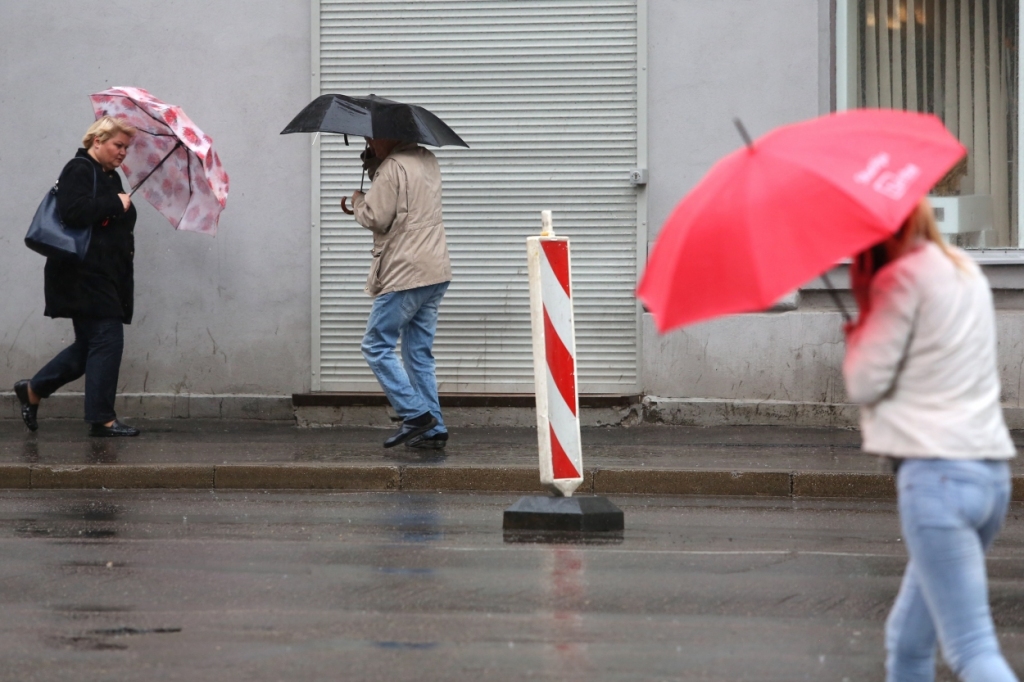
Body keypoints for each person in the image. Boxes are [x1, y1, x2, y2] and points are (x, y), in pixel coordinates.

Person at [843, 199, 1018, 681]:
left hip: (937, 478)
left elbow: (865, 383)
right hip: (990, 475)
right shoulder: (965, 270)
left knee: (971, 648)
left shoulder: (900, 281)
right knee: (907, 640)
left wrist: (862, 317)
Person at [13, 116, 141, 437]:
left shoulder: (108, 175)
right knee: (107, 340)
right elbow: (73, 211)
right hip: (82, 274)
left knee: (88, 347)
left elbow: (107, 217)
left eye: (126, 146)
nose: (123, 152)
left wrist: (119, 204)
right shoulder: (79, 169)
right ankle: (102, 419)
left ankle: (33, 389)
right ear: (97, 141)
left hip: (100, 274)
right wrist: (115, 203)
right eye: (118, 144)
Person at [348, 137, 451, 449]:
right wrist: (374, 166)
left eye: (370, 138)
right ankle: (434, 429)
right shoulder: (427, 158)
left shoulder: (391, 168)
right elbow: (407, 203)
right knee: (418, 353)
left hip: (406, 270)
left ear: (387, 136)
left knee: (375, 346)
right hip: (435, 269)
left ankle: (416, 415)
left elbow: (376, 217)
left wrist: (355, 201)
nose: (368, 142)